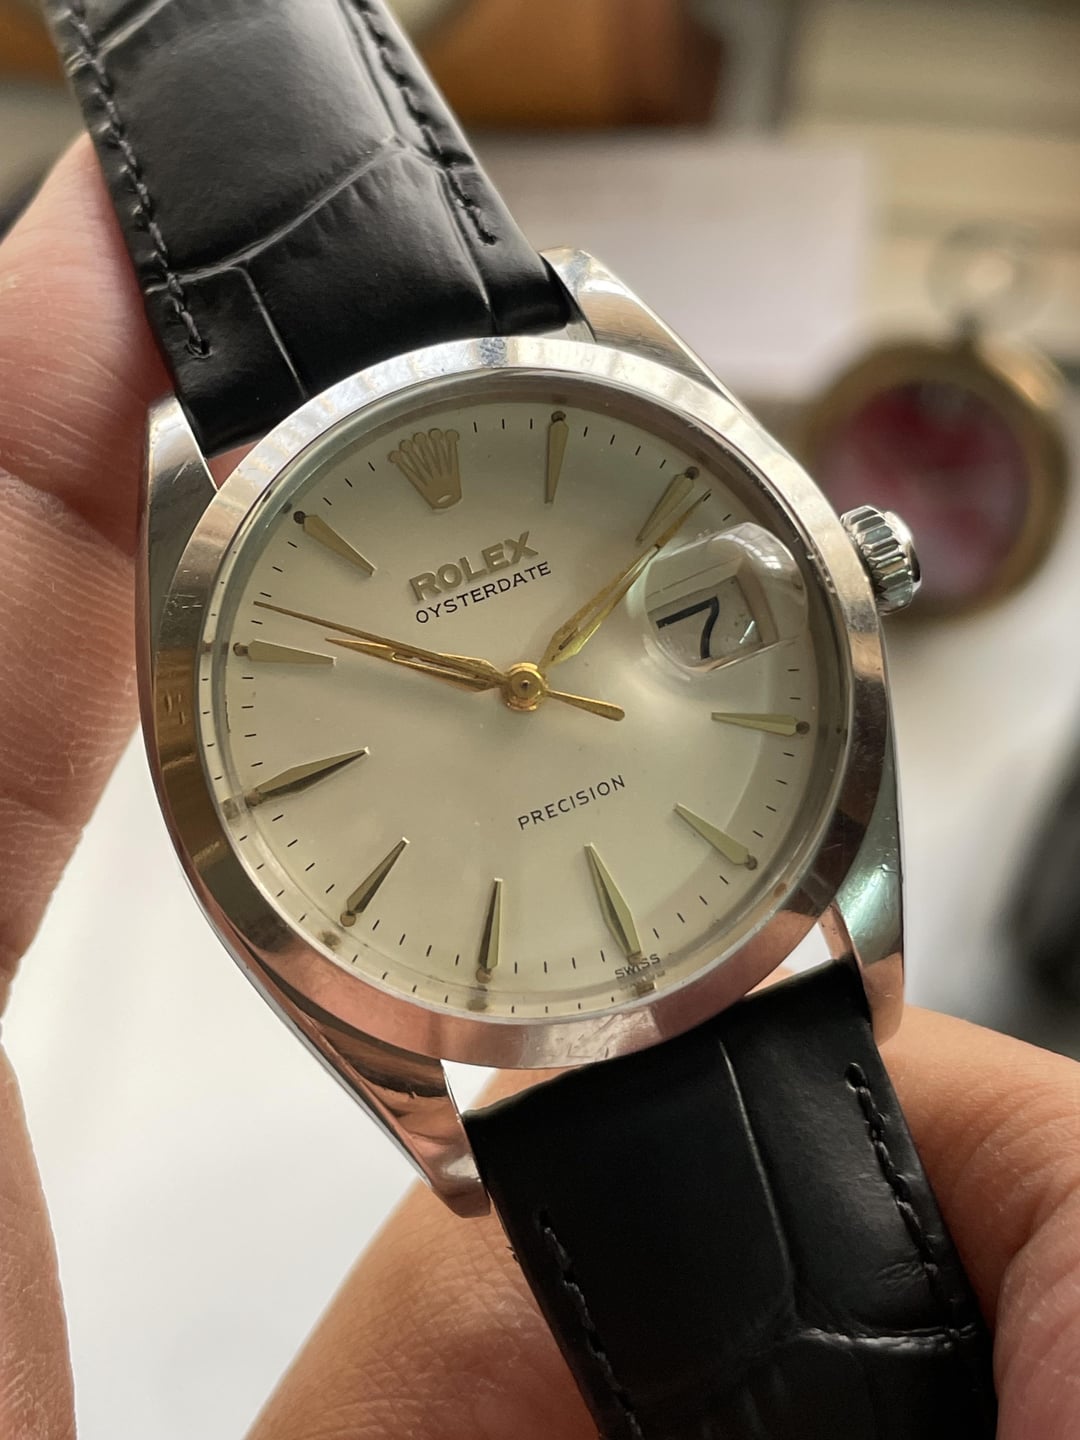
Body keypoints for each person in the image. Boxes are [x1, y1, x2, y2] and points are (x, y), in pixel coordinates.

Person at [1, 140, 1078, 1440]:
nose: (521, 682)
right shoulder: (558, 333)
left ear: (855, 563)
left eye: (527, 672)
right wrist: (452, 1141)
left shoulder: (546, 346)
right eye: (510, 678)